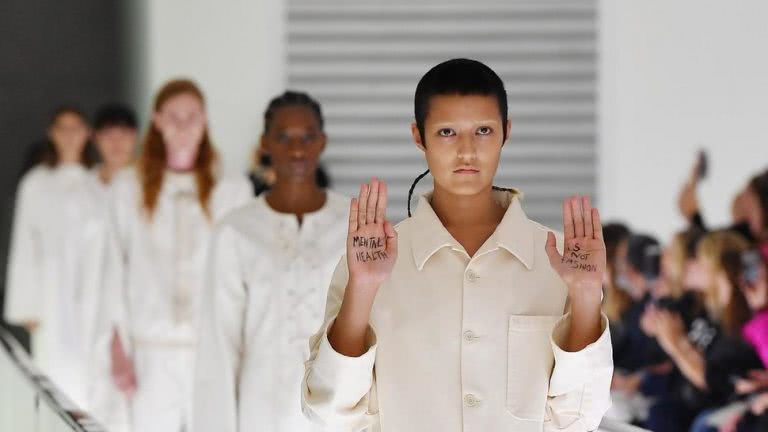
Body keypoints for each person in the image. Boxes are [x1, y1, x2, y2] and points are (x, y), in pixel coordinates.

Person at [301, 58, 613, 431]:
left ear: (506, 132)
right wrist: (363, 289)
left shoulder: (561, 261)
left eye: (483, 130)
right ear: (419, 137)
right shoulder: (371, 263)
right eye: (447, 132)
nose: (467, 151)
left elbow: (580, 418)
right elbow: (328, 412)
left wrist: (586, 296)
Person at [92, 79, 252, 432]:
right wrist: (116, 349)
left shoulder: (231, 188)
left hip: (210, 349)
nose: (182, 126)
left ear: (205, 121)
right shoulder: (128, 187)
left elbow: (240, 273)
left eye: (191, 116)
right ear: (158, 120)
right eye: (174, 117)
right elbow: (112, 268)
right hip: (149, 348)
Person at [192, 91, 347, 432]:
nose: (296, 149)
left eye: (307, 137)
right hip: (261, 412)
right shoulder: (235, 231)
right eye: (283, 137)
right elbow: (218, 346)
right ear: (265, 144)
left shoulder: (354, 223)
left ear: (322, 142)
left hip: (341, 414)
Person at [4, 106, 100, 408]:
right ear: (52, 133)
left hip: (94, 291)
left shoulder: (98, 182)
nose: (70, 136)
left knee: (94, 376)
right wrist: (26, 306)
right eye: (63, 128)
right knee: (55, 373)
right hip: (50, 294)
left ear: (87, 133)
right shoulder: (36, 183)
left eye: (76, 128)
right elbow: (25, 246)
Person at [92, 103, 139, 186]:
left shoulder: (151, 181)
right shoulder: (83, 182)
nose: (116, 142)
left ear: (134, 136)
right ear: (96, 138)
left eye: (123, 134)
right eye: (108, 135)